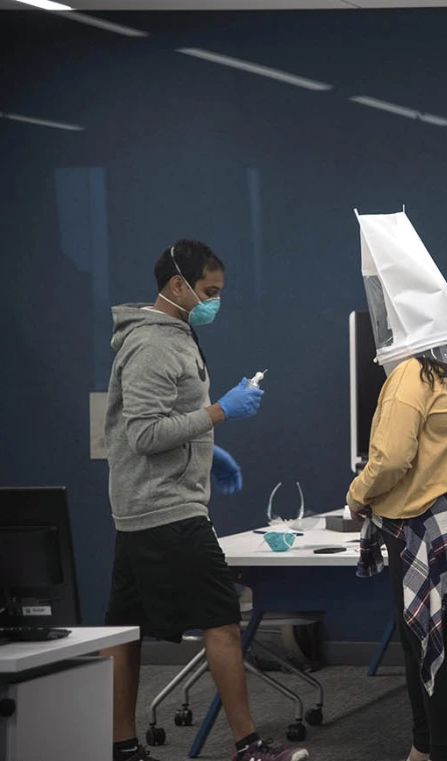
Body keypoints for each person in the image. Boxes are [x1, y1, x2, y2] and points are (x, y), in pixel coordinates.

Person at [100, 240, 307, 761]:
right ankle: (248, 745)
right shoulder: (153, 345)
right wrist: (219, 414)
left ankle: (121, 747)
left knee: (124, 628)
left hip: (145, 507)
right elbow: (145, 434)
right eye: (209, 292)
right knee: (221, 619)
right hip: (166, 508)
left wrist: (209, 450)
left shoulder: (175, 335)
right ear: (177, 285)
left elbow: (164, 422)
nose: (216, 301)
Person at [346, 356, 447, 761]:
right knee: (444, 639)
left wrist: (357, 494)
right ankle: (426, 747)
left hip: (420, 525)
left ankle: (437, 750)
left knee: (425, 643)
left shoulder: (412, 375)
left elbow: (392, 458)